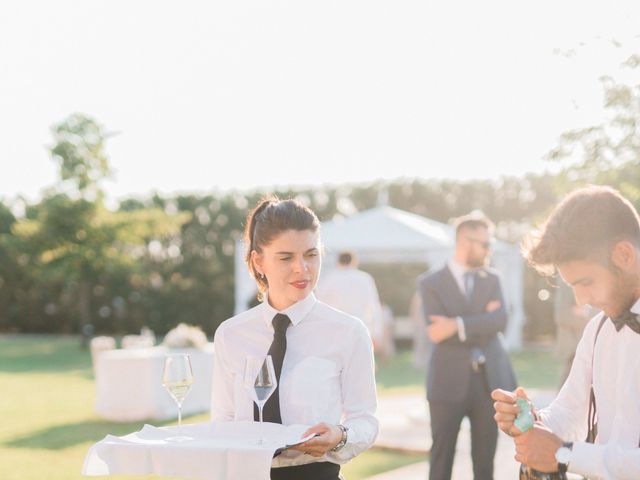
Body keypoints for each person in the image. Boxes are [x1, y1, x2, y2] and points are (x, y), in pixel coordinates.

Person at [211, 196, 378, 480]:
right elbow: (223, 423)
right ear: (258, 261)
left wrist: (340, 435)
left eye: (311, 254)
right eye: (286, 257)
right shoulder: (230, 334)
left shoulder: (348, 331)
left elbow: (366, 420)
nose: (303, 268)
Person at [492, 185, 640, 480]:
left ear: (624, 254)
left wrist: (563, 455)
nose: (581, 301)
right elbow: (570, 413)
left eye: (586, 282)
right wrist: (532, 421)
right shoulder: (597, 329)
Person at [417, 213, 517, 480]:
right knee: (441, 457)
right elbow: (437, 332)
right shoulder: (430, 282)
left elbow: (500, 321)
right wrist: (481, 321)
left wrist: (457, 324)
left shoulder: (492, 279)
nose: (489, 250)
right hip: (447, 382)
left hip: (489, 382)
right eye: (484, 244)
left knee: (485, 461)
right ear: (464, 242)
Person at [315, 250, 384, 350]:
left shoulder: (330, 279)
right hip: (360, 329)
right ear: (354, 261)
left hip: (335, 330)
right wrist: (376, 333)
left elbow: (319, 305)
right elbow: (374, 307)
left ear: (338, 261)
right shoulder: (365, 278)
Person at [553, 281, 595, 388]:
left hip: (592, 349)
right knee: (566, 394)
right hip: (574, 348)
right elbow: (562, 315)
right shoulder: (567, 280)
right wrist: (592, 319)